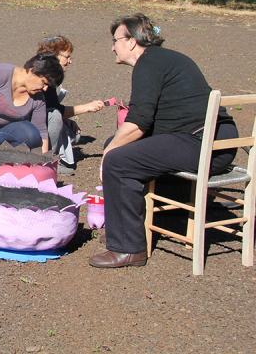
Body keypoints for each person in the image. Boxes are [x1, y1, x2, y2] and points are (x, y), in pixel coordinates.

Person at [90, 14, 238, 269]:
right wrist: (113, 144)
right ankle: (131, 226)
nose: (112, 47)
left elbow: (140, 121)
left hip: (202, 143)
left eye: (115, 40)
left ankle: (128, 248)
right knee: (114, 146)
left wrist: (110, 154)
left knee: (117, 159)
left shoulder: (148, 63)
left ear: (132, 42)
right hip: (215, 141)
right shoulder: (165, 58)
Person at [37, 36, 105, 175]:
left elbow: (49, 107)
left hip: (39, 122)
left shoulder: (46, 74)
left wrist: (66, 120)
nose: (70, 61)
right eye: (67, 57)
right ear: (54, 55)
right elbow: (53, 111)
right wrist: (88, 107)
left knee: (72, 132)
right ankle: (48, 161)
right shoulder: (43, 79)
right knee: (56, 117)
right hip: (32, 127)